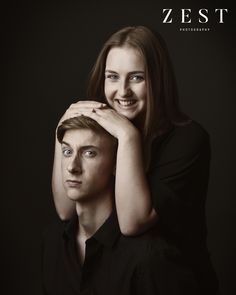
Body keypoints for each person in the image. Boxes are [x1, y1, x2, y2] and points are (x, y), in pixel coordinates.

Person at [52, 26, 219, 294]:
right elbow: (66, 210)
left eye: (136, 78)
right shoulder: (103, 129)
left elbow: (132, 222)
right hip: (122, 278)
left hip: (172, 281)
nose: (122, 91)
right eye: (113, 77)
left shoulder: (189, 139)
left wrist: (128, 137)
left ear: (157, 79)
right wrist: (60, 132)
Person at [42, 115, 198, 295]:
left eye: (89, 153)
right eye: (67, 152)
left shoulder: (150, 259)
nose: (72, 167)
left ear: (117, 164)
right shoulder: (53, 242)